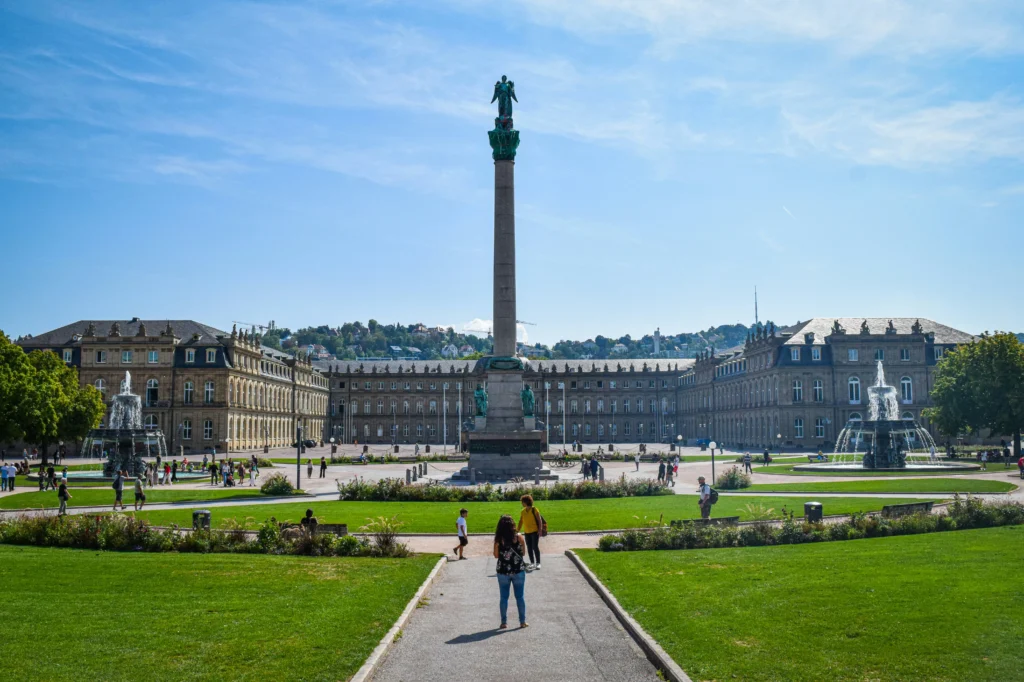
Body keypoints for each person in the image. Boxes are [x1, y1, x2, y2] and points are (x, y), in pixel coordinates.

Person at [493, 514, 528, 629]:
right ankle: (522, 621)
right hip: (518, 570)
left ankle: (504, 622)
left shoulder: (499, 540)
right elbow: (523, 553)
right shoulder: (519, 537)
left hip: (503, 571)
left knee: (503, 597)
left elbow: (496, 555)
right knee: (520, 596)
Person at [516, 494, 542, 570]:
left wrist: (540, 530)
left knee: (535, 547)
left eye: (522, 502)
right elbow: (521, 521)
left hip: (535, 532)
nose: (521, 503)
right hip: (527, 532)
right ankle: (532, 563)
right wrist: (517, 530)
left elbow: (539, 520)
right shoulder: (523, 511)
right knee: (529, 548)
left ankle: (538, 563)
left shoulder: (534, 510)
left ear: (526, 502)